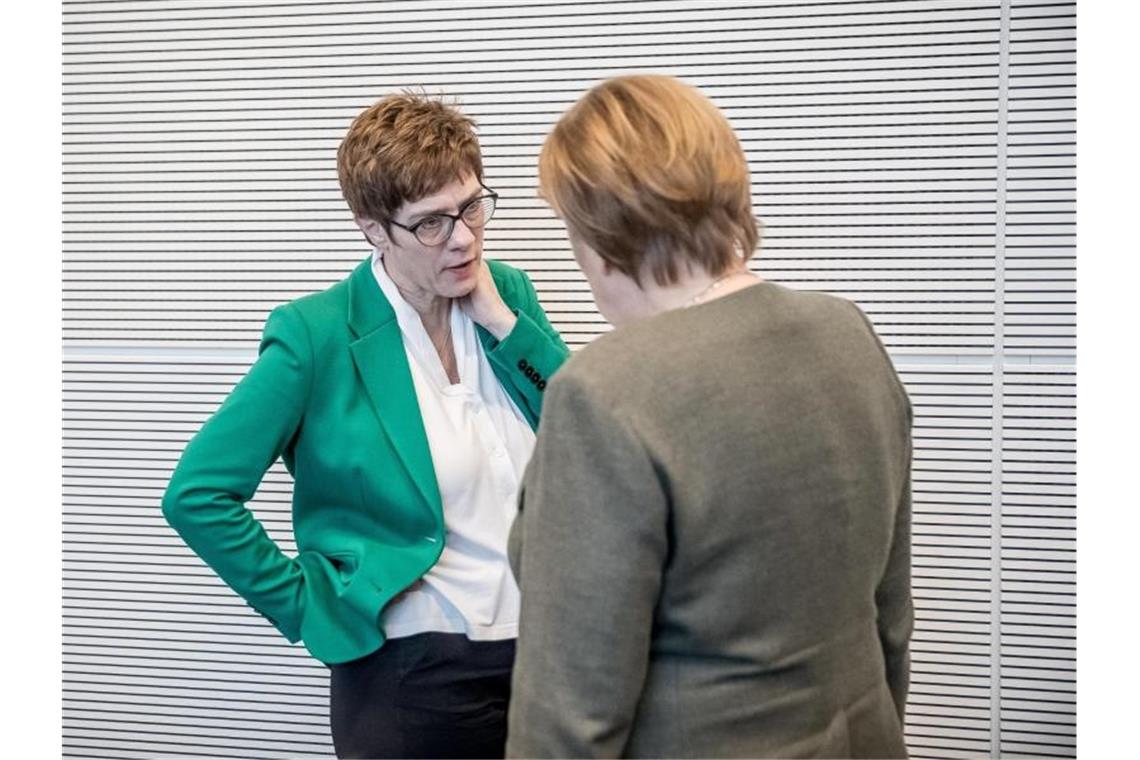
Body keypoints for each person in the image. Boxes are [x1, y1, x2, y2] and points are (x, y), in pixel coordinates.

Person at [506, 74, 914, 758]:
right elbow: (890, 622)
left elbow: (569, 721)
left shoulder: (604, 393)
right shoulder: (849, 335)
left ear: (601, 237)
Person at [162, 91, 569, 759]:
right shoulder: (316, 336)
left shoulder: (510, 297)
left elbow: (584, 434)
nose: (464, 237)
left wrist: (501, 321)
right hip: (411, 671)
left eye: (470, 206)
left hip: (547, 659)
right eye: (431, 223)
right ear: (375, 230)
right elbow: (198, 494)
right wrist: (305, 604)